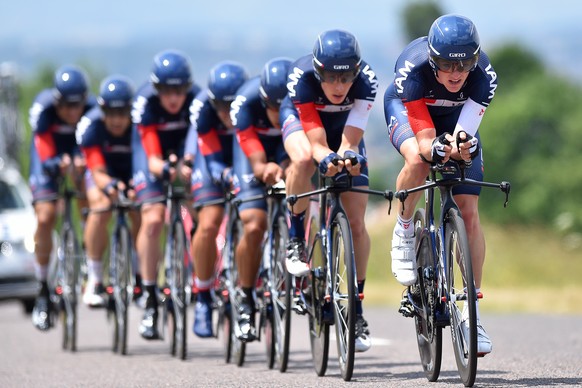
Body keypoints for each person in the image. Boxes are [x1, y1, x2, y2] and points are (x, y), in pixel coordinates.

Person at [383, 14, 497, 355]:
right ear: (433, 60)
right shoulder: (412, 69)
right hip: (410, 113)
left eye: (464, 65)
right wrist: (435, 148)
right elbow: (425, 140)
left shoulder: (485, 77)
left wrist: (465, 146)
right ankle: (404, 228)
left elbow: (466, 132)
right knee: (419, 160)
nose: (456, 73)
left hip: (453, 120)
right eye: (447, 64)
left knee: (470, 212)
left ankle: (471, 312)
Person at [281, 29, 378, 352]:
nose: (339, 86)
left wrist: (348, 158)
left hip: (343, 131)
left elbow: (350, 142)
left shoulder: (367, 82)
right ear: (318, 71)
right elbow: (318, 144)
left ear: (357, 72)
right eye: (331, 78)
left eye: (346, 77)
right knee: (305, 159)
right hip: (304, 125)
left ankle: (358, 309)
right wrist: (327, 158)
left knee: (356, 222)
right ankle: (295, 237)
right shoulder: (301, 78)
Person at [132, 50, 201, 340]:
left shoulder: (197, 99)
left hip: (186, 155)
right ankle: (149, 294)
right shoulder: (145, 103)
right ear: (155, 88)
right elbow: (150, 159)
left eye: (179, 90)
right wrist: (165, 168)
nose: (173, 97)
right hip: (153, 158)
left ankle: (200, 277)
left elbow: (197, 140)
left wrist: (187, 163)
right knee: (153, 218)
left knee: (203, 209)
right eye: (166, 90)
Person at [228, 57, 292, 341]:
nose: (278, 114)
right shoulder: (245, 102)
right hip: (253, 151)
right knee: (254, 225)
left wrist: (290, 167)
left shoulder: (301, 99)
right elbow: (252, 155)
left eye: (284, 107)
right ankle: (245, 296)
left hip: (287, 146)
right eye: (272, 108)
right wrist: (261, 166)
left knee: (307, 206)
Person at [29, 65, 95, 330]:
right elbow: (44, 155)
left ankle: (91, 255)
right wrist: (58, 164)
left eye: (77, 105)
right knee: (45, 217)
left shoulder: (92, 109)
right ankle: (42, 286)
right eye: (66, 106)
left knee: (90, 199)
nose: (72, 112)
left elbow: (94, 145)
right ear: (56, 102)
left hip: (78, 150)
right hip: (50, 155)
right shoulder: (43, 110)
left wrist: (81, 162)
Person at [187, 60, 248, 338]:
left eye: (231, 105)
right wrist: (225, 175)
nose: (226, 113)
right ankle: (202, 295)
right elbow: (209, 157)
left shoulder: (250, 105)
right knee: (209, 222)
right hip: (211, 162)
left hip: (242, 158)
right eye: (220, 106)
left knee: (254, 215)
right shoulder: (203, 111)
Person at [76, 75, 141, 307]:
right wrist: (112, 187)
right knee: (101, 208)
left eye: (122, 113)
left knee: (140, 206)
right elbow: (96, 169)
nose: (116, 120)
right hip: (101, 174)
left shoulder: (138, 126)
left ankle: (138, 270)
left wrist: (134, 188)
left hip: (131, 173)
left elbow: (144, 165)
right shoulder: (91, 126)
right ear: (102, 111)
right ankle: (94, 278)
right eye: (111, 113)